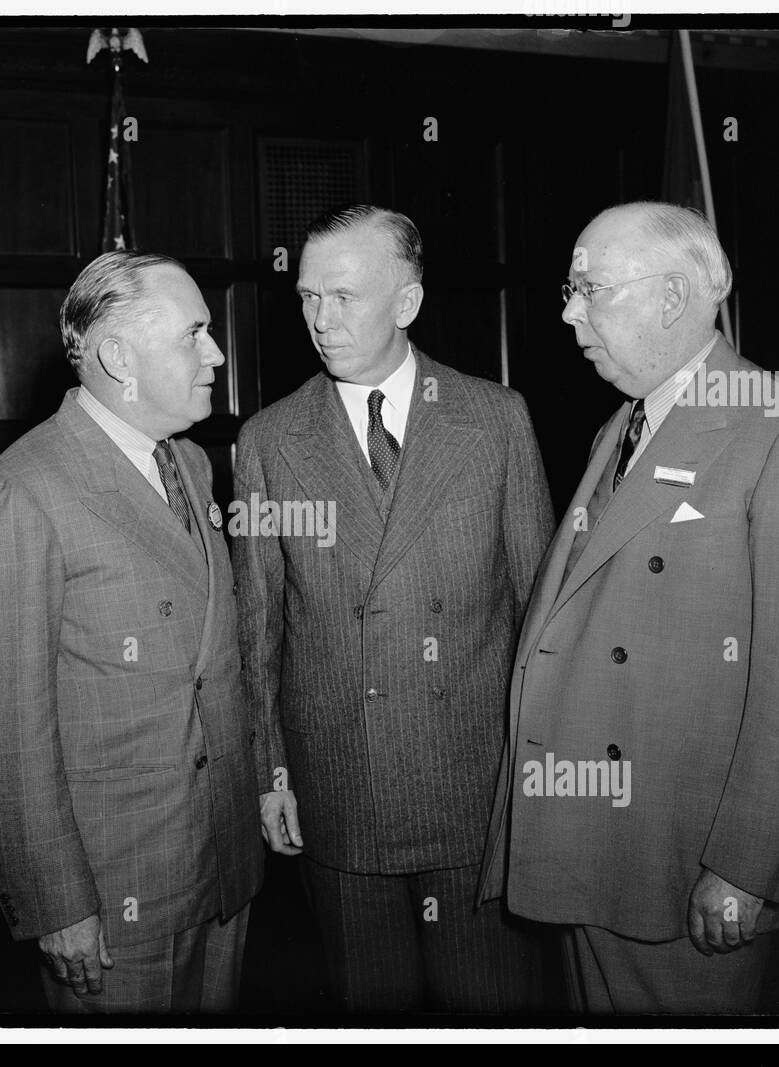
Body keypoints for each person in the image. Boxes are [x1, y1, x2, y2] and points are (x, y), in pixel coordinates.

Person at [477, 201, 779, 1014]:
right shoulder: (623, 424)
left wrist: (743, 868)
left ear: (672, 298)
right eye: (568, 287)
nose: (567, 310)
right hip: (596, 842)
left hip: (682, 862)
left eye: (588, 288)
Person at [233, 205, 555, 1013]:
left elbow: (541, 620)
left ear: (407, 304)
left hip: (475, 789)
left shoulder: (495, 419)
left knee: (490, 1010)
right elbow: (260, 630)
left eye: (343, 297)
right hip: (339, 787)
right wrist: (271, 771)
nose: (319, 320)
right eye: (307, 297)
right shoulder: (270, 439)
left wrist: (540, 775)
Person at [0, 250, 263, 1013]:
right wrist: (56, 902)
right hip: (116, 887)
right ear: (118, 356)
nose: (217, 353)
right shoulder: (27, 491)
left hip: (220, 867)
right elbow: (2, 727)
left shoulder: (189, 462)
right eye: (195, 334)